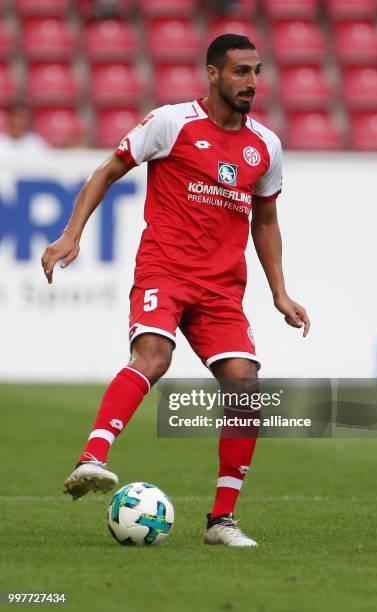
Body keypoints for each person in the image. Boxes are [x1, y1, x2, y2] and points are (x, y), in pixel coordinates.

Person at [41, 34, 310, 547]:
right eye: (239, 72)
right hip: (165, 272)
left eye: (256, 71)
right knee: (153, 355)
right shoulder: (171, 122)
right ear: (213, 74)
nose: (251, 82)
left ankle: (221, 521)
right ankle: (92, 458)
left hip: (221, 290)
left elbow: (267, 219)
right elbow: (107, 171)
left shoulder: (265, 146)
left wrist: (280, 292)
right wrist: (71, 233)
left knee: (245, 388)